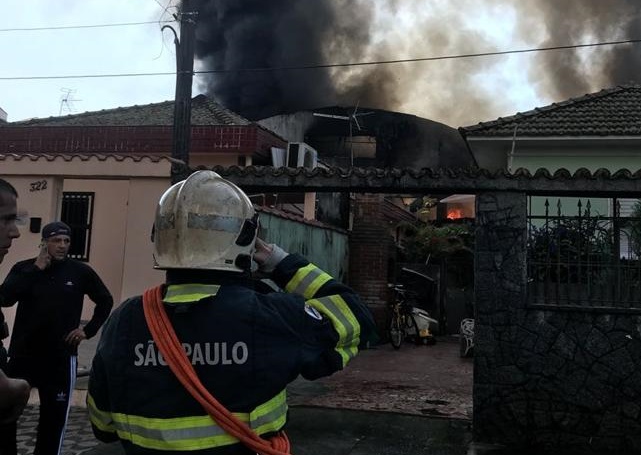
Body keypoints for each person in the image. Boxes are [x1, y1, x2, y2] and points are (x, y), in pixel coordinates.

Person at [87, 170, 377, 454]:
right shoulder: (270, 316)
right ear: (247, 237)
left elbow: (103, 426)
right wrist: (282, 264)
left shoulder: (124, 321)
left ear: (160, 237)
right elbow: (355, 314)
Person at [0, 220, 114, 455]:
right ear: (44, 243)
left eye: (66, 241)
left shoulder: (80, 272)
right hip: (23, 356)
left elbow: (105, 300)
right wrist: (36, 269)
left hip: (60, 358)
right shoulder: (25, 268)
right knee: (7, 414)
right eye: (56, 240)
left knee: (54, 420)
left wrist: (87, 330)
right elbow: (5, 298)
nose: (62, 245)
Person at [0, 179, 30, 425]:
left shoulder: (79, 273)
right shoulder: (24, 269)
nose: (15, 232)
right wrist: (17, 389)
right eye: (5, 220)